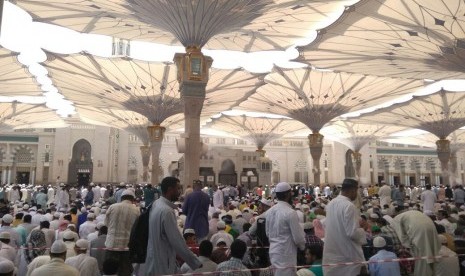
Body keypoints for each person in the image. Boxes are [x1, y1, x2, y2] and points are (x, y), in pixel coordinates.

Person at [145, 177, 202, 276]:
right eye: (178, 188)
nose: (180, 191)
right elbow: (177, 241)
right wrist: (195, 262)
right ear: (170, 190)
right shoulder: (167, 211)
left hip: (154, 259)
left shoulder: (156, 204)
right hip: (163, 262)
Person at [323, 178, 367, 276]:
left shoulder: (331, 203)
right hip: (347, 256)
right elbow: (352, 233)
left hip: (332, 255)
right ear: (352, 191)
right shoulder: (349, 206)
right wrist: (363, 229)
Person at [265, 182, 305, 276]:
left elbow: (268, 233)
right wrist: (303, 247)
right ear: (287, 195)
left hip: (273, 251)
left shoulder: (270, 211)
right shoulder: (290, 213)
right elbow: (298, 238)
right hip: (286, 254)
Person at [392, 210, 440, 276]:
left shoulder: (395, 220)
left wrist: (408, 245)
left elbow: (402, 237)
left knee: (421, 258)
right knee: (430, 252)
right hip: (430, 226)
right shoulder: (411, 213)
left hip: (420, 230)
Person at [104, 189, 140, 276]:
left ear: (121, 198)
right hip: (127, 248)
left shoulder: (112, 207)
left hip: (112, 245)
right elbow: (137, 229)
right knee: (125, 271)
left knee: (110, 272)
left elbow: (106, 224)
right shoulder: (136, 210)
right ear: (132, 199)